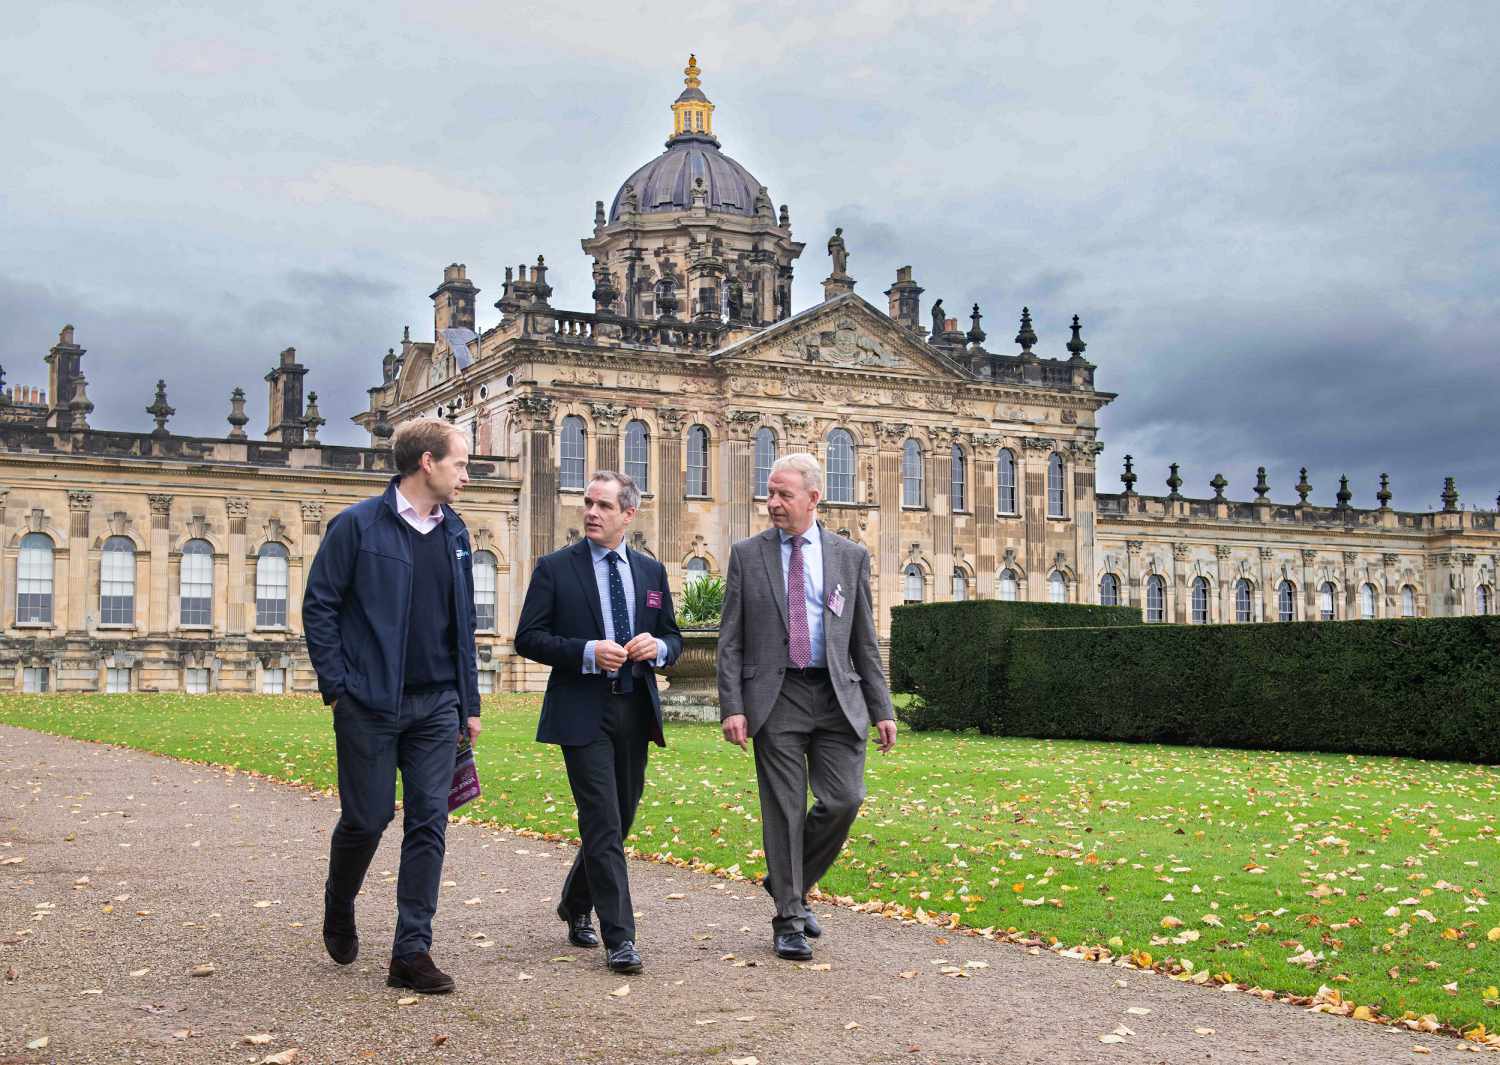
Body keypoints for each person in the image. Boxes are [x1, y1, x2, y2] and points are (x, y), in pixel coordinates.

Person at [302, 418, 482, 995]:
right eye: (460, 463)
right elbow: (320, 606)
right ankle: (339, 903)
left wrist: (468, 701)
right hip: (370, 703)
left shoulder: (456, 533)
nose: (466, 474)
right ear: (426, 463)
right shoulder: (357, 526)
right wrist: (339, 684)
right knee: (368, 818)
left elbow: (463, 626)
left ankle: (412, 950)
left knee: (430, 819)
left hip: (437, 706)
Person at [716, 453, 897, 961]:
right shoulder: (748, 554)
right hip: (778, 696)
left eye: (783, 494)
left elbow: (863, 639)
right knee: (783, 809)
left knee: (845, 799)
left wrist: (882, 708)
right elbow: (730, 640)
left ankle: (786, 880)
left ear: (814, 498)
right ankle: (789, 918)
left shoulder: (849, 556)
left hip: (839, 696)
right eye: (769, 493)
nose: (772, 503)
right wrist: (732, 704)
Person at [514, 470, 682, 974]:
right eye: (588, 503)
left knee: (620, 819)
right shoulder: (555, 569)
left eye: (604, 506)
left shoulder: (651, 572)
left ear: (628, 514)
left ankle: (573, 902)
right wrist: (586, 652)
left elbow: (673, 638)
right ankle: (621, 938)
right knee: (602, 822)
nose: (592, 512)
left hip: (634, 708)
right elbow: (529, 638)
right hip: (581, 710)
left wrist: (659, 648)